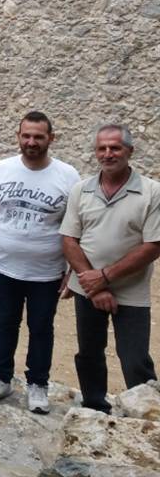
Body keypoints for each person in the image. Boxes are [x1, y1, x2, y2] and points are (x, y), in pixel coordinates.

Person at [0, 111, 80, 413]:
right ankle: (1, 378)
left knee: (41, 327)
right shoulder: (1, 169)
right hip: (4, 268)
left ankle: (38, 384)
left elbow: (77, 227)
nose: (31, 142)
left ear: (51, 138)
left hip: (47, 273)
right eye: (26, 136)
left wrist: (72, 270)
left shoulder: (68, 176)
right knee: (5, 323)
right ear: (18, 136)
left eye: (38, 136)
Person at [61, 124, 160, 413]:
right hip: (87, 287)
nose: (108, 154)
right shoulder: (81, 190)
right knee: (89, 352)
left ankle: (147, 414)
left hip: (130, 291)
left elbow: (154, 245)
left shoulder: (151, 192)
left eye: (115, 147)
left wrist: (104, 278)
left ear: (130, 151)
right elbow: (69, 239)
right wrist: (93, 285)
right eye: (101, 148)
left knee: (134, 357)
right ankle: (94, 408)